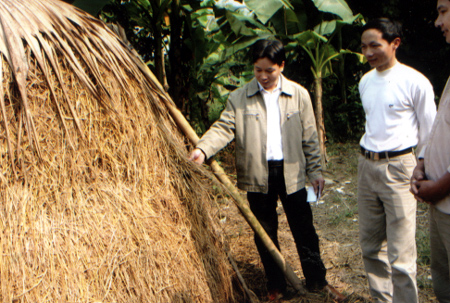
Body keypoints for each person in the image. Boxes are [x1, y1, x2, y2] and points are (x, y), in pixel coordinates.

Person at [189, 39, 345, 302]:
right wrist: (202, 149)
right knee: (264, 232)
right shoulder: (239, 98)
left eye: (269, 70)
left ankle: (318, 282)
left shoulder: (299, 95)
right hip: (257, 174)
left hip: (292, 172)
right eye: (258, 70)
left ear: (281, 66)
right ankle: (276, 285)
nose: (263, 76)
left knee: (304, 227)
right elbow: (224, 128)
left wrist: (316, 171)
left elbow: (309, 137)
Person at [357, 18, 437, 302]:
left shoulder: (415, 82)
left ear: (395, 43)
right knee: (370, 247)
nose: (368, 53)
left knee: (401, 256)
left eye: (375, 45)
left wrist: (422, 166)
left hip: (400, 167)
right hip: (366, 167)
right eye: (364, 46)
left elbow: (430, 132)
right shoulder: (365, 81)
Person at [410, 1, 450, 301]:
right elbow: (441, 128)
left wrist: (438, 186)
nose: (438, 21)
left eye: (444, 11)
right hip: (441, 205)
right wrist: (422, 162)